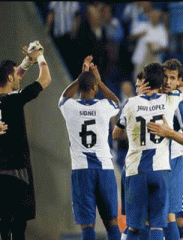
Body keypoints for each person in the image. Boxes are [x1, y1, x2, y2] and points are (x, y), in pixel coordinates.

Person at [114, 63, 183, 240]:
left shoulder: (130, 103)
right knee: (157, 227)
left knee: (134, 227)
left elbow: (116, 134)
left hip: (136, 171)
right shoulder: (169, 100)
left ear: (143, 81)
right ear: (161, 83)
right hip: (160, 171)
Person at [58, 56, 121, 240]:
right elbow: (116, 102)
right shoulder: (103, 107)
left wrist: (81, 76)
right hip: (104, 169)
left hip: (81, 171)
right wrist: (98, 80)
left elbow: (63, 97)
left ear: (80, 87)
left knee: (87, 225)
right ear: (94, 88)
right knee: (112, 224)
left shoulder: (70, 107)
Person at [147, 58, 183, 240]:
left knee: (181, 217)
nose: (168, 82)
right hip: (164, 164)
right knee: (168, 216)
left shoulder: (180, 103)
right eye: (165, 77)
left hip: (181, 164)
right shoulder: (159, 99)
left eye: (173, 78)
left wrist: (169, 132)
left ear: (179, 80)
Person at [0, 41, 51, 240]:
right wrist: (39, 58)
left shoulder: (9, 96)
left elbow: (16, 77)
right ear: (9, 77)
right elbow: (45, 79)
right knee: (19, 229)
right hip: (17, 173)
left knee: (3, 228)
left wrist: (26, 62)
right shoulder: (14, 99)